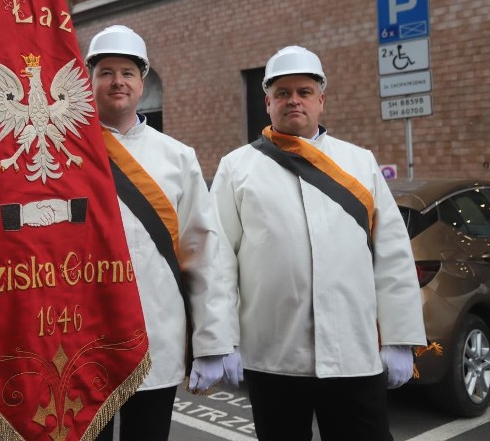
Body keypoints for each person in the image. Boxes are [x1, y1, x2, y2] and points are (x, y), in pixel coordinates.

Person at [206, 45, 426, 441]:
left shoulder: (360, 163)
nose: (294, 100)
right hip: (272, 355)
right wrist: (221, 341)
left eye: (304, 92)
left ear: (321, 100)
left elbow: (392, 256)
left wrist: (401, 337)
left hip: (354, 354)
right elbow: (218, 261)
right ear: (267, 102)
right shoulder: (236, 167)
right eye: (283, 93)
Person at [86, 25, 237, 441]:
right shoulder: (64, 153)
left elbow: (203, 253)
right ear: (90, 80)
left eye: (128, 73)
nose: (118, 81)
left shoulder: (178, 157)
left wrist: (211, 343)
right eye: (107, 71)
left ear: (142, 81)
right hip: (81, 341)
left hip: (156, 338)